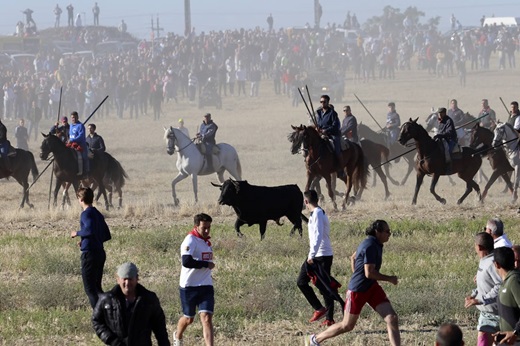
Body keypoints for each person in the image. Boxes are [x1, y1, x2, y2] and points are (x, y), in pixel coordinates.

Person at [305, 220, 400, 346]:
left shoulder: (373, 243)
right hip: (358, 291)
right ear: (378, 232)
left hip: (371, 287)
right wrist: (389, 279)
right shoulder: (370, 245)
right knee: (347, 325)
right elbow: (369, 273)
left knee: (392, 318)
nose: (390, 234)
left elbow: (354, 257)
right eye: (387, 231)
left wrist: (356, 273)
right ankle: (314, 339)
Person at [92, 262, 171, 346]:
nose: (127, 283)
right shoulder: (106, 300)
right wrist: (112, 340)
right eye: (124, 279)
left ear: (137, 279)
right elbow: (96, 321)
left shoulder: (149, 299)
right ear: (118, 279)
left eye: (130, 279)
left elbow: (159, 326)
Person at [174, 213, 215, 346]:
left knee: (206, 318)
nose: (207, 230)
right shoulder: (190, 240)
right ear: (196, 226)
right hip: (189, 286)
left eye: (209, 227)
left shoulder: (206, 241)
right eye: (204, 228)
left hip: (206, 285)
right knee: (188, 319)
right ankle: (178, 336)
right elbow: (186, 261)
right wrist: (205, 264)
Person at [297, 190, 337, 326]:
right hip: (315, 254)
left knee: (325, 287)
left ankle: (329, 319)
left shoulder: (319, 213)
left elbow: (318, 235)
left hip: (322, 256)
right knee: (301, 281)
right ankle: (320, 309)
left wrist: (311, 255)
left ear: (306, 201)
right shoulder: (315, 214)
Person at [70, 187, 111, 309]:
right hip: (100, 253)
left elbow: (89, 229)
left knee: (90, 289)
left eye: (78, 198)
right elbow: (106, 235)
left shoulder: (86, 214)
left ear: (81, 199)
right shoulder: (97, 213)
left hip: (90, 255)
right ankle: (109, 311)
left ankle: (99, 316)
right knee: (97, 287)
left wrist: (76, 233)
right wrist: (85, 241)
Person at [464, 232, 501, 346]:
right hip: (486, 314)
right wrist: (474, 294)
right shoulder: (484, 260)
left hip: (497, 315)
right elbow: (485, 283)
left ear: (479, 247)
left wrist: (481, 300)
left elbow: (500, 285)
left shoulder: (492, 263)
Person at [492, 247, 520, 345]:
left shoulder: (514, 281)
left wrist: (515, 332)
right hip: (507, 340)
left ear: (496, 264)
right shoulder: (507, 281)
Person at [316, 95, 342, 168]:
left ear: (328, 102)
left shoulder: (333, 113)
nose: (322, 103)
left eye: (324, 102)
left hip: (332, 134)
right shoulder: (319, 113)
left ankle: (340, 167)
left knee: (337, 149)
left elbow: (335, 126)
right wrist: (317, 128)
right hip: (321, 134)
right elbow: (319, 124)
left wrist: (326, 130)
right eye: (321, 102)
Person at [68, 111, 88, 176]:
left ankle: (85, 171)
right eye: (72, 117)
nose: (73, 119)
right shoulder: (71, 125)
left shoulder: (81, 126)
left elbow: (81, 136)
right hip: (71, 145)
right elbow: (70, 135)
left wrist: (72, 140)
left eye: (75, 117)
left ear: (78, 117)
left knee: (83, 157)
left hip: (80, 145)